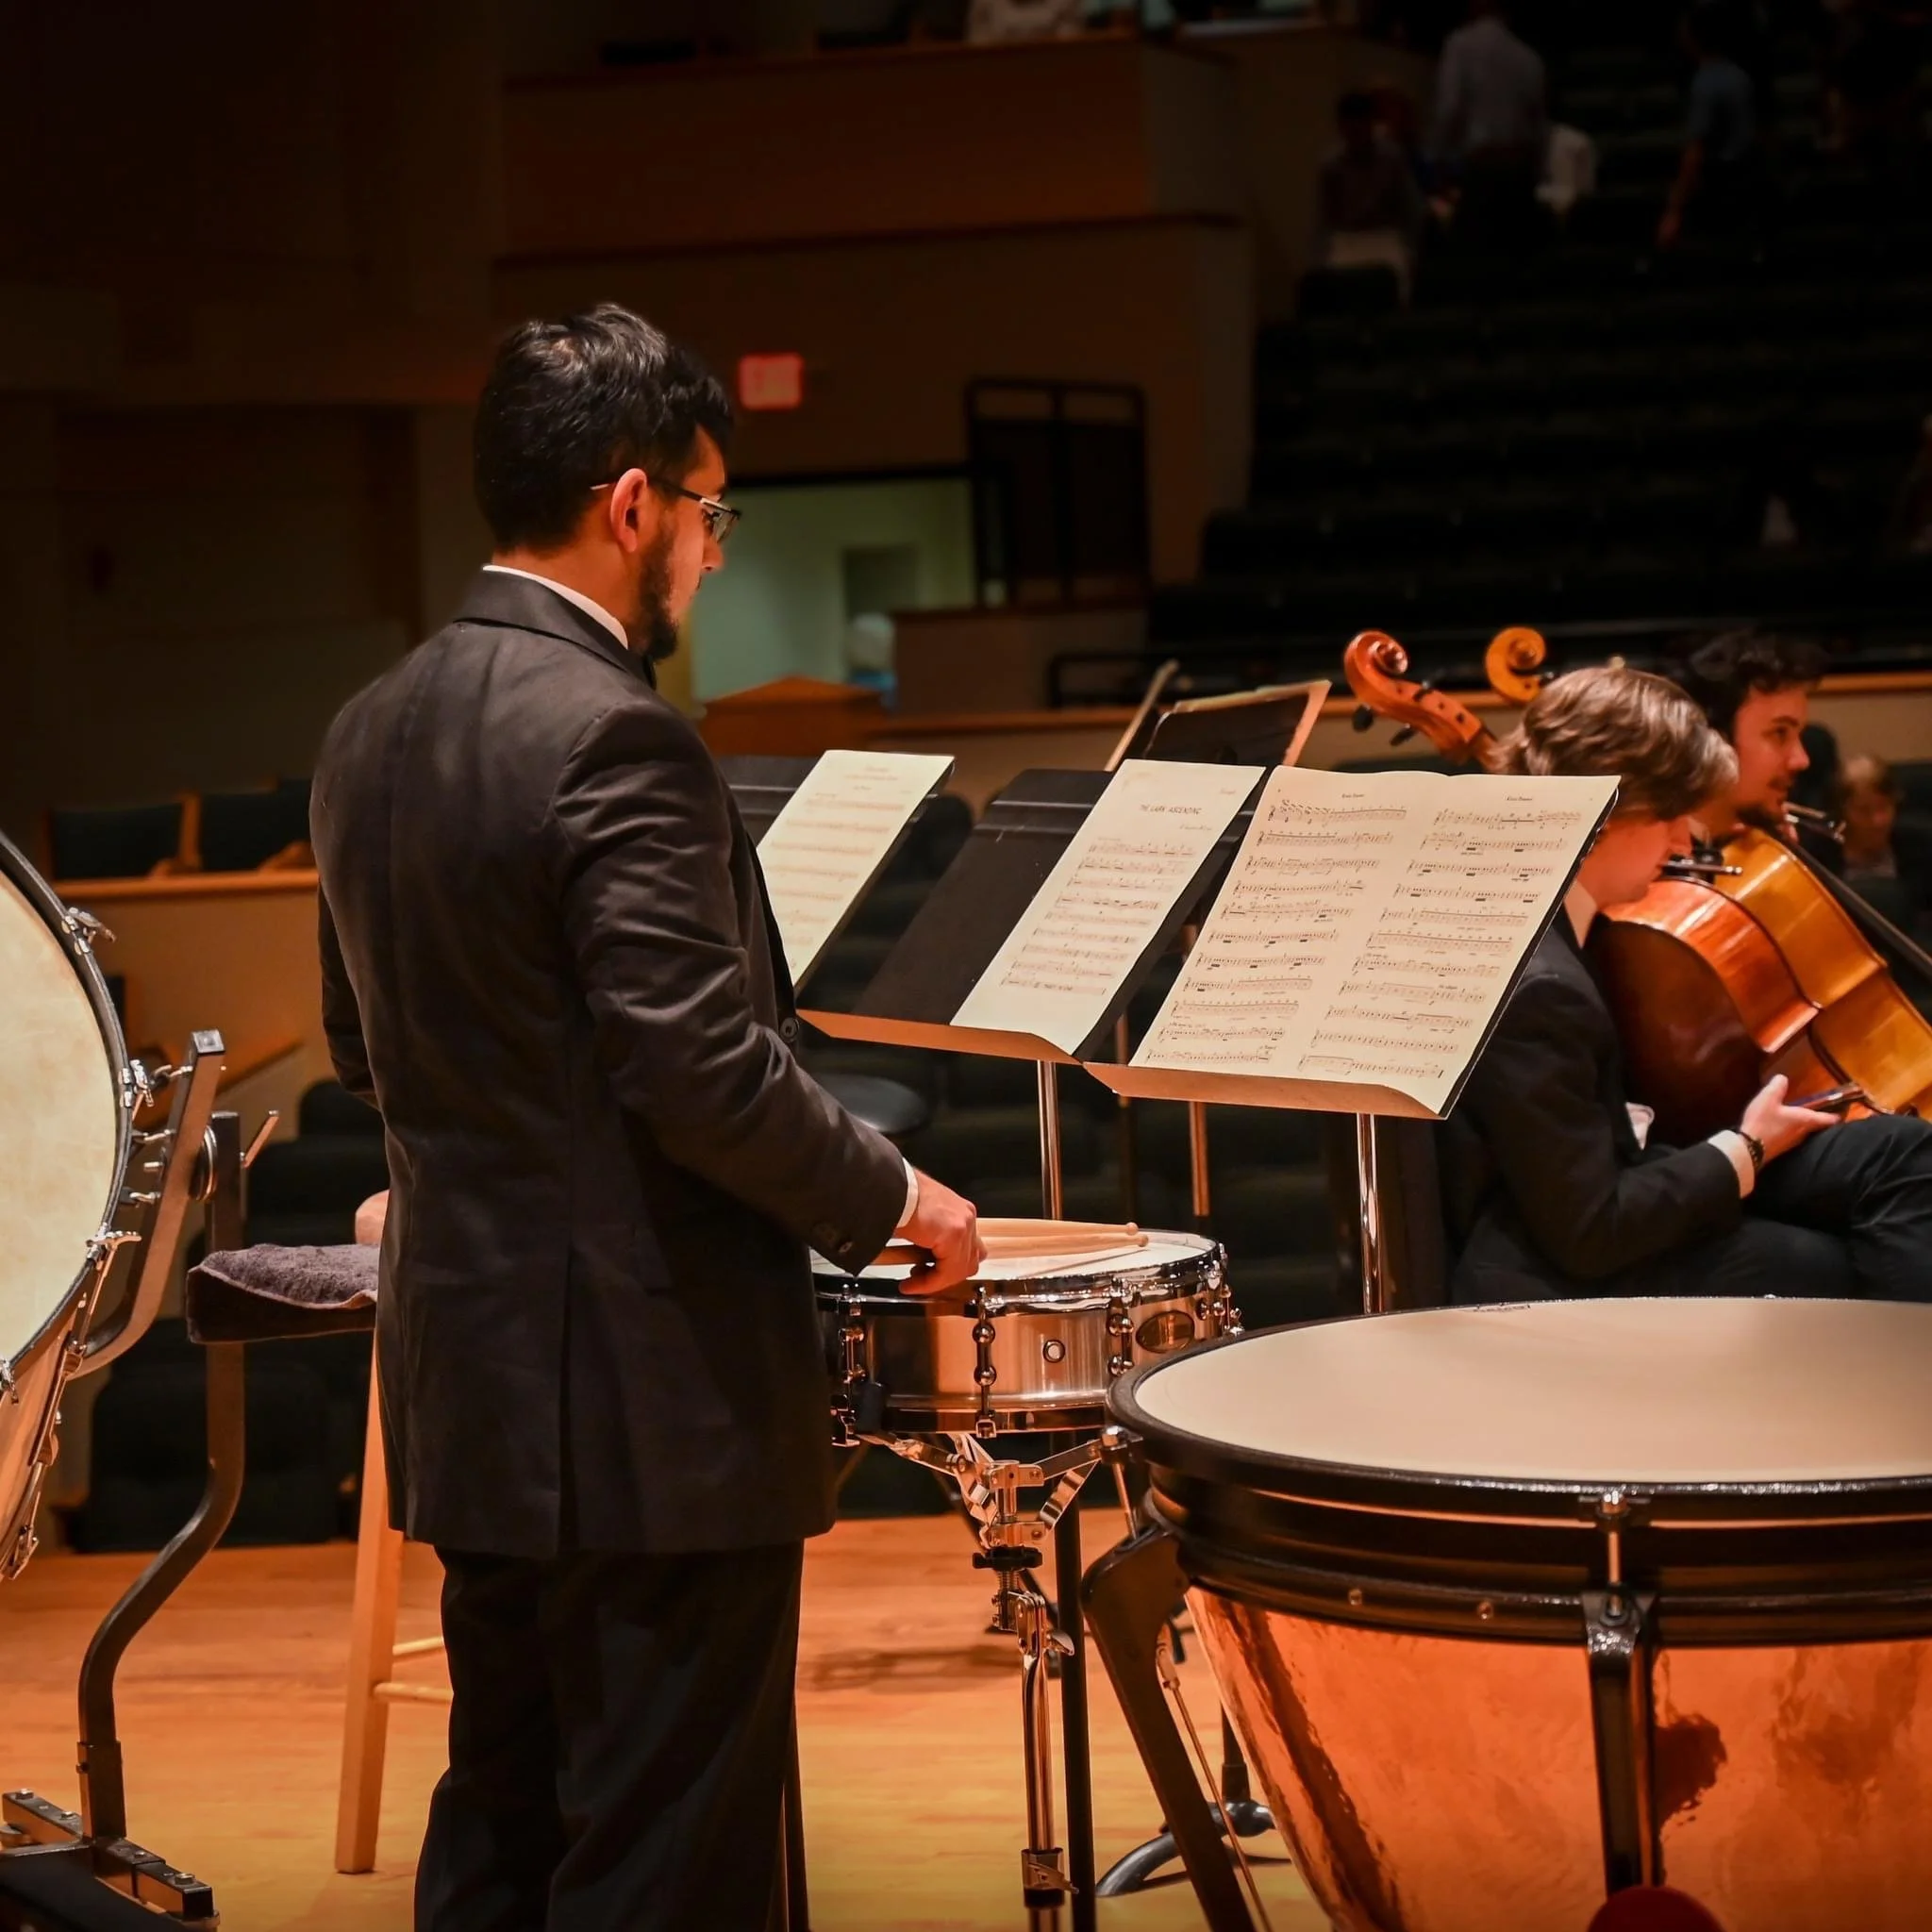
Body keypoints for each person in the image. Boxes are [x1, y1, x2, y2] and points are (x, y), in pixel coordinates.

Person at [311, 304, 982, 1932]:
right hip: (653, 1404)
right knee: (664, 1858)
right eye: (707, 515)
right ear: (633, 506)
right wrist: (901, 1199)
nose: (708, 557)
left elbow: (357, 1045)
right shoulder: (615, 730)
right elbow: (703, 1071)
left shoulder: (365, 729)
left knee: (507, 1826)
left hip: (476, 1394)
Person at [1441, 665, 1932, 1306]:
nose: (1681, 841)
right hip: (1558, 1267)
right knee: (1830, 1260)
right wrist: (1748, 1146)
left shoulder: (1567, 926)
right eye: (1670, 815)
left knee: (1900, 1155)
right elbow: (1592, 1228)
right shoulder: (1540, 985)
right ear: (1605, 808)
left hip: (1613, 1189)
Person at [1431, 0, 1547, 252]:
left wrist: (1438, 160)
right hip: (1519, 174)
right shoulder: (1529, 58)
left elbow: (1449, 109)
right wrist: (1537, 174)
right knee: (1516, 263)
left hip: (1482, 171)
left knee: (1477, 263)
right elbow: (1538, 130)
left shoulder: (1459, 46)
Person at [1658, 2, 1763, 248]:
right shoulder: (1739, 75)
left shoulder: (1706, 83)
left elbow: (1697, 150)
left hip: (1719, 189)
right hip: (1747, 182)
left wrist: (1674, 210)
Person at [1313, 90, 1426, 297]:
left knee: (1397, 286)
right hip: (1346, 239)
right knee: (1338, 291)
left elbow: (1412, 208)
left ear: (1370, 126)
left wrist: (1410, 249)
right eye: (1350, 130)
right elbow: (1324, 219)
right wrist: (1321, 256)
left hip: (1385, 236)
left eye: (1361, 128)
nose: (1356, 136)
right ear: (1341, 128)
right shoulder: (1331, 166)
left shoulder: (1392, 158)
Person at [1835, 752, 1932, 939]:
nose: (1877, 821)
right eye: (1864, 810)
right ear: (1843, 811)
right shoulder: (1819, 850)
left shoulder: (1920, 845)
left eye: (1884, 807)